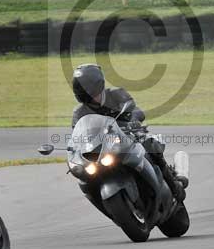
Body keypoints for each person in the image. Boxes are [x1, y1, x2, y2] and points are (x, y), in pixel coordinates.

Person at [71, 63, 187, 200]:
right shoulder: (79, 113)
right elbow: (77, 134)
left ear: (98, 86)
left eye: (90, 93)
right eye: (85, 94)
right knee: (85, 173)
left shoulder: (116, 94)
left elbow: (137, 111)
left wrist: (133, 120)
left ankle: (174, 185)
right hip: (102, 147)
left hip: (128, 136)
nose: (90, 98)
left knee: (151, 145)